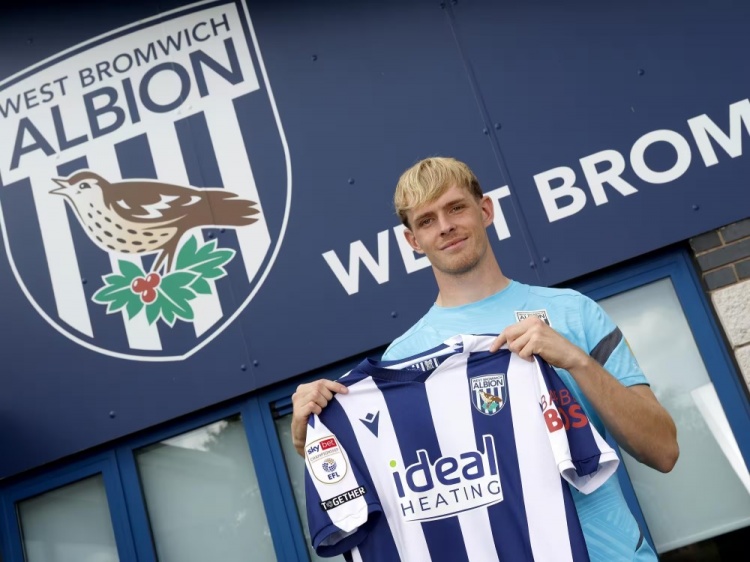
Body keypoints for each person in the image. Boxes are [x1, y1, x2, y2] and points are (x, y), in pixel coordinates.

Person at [292, 156, 679, 561]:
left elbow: (663, 451)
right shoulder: (402, 362)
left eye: (456, 207)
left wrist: (577, 361)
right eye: (427, 220)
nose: (445, 226)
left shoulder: (573, 312)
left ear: (486, 210)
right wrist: (312, 440)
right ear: (413, 241)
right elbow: (398, 492)